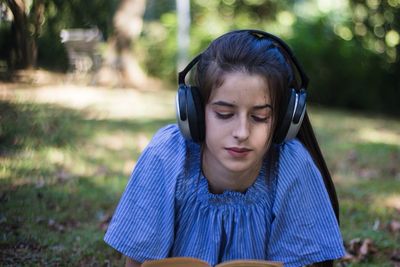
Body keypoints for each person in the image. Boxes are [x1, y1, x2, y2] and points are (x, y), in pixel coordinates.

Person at [104, 29, 345, 267]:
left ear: (284, 121)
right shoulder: (166, 155)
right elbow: (137, 261)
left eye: (260, 117)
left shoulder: (292, 166)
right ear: (194, 112)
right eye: (224, 114)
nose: (242, 132)